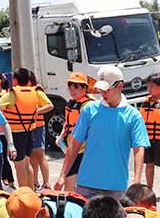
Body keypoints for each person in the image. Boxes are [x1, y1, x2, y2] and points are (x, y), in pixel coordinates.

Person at [56, 65, 148, 201]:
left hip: (116, 187)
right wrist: (62, 175)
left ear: (120, 86)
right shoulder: (89, 110)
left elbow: (139, 149)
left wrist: (137, 179)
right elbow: (74, 144)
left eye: (106, 89)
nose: (102, 93)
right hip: (86, 184)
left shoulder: (133, 116)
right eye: (100, 89)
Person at [0, 68, 53, 188]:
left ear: (15, 80)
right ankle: (31, 191)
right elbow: (49, 105)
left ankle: (24, 192)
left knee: (20, 166)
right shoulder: (35, 92)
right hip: (30, 131)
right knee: (27, 164)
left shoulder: (12, 94)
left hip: (17, 134)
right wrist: (36, 112)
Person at [57, 73, 98, 191]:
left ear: (85, 88)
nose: (72, 90)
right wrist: (61, 136)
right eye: (70, 87)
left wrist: (79, 145)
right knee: (70, 184)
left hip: (85, 151)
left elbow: (92, 130)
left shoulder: (89, 105)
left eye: (76, 87)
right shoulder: (72, 102)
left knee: (80, 185)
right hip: (74, 149)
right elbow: (68, 121)